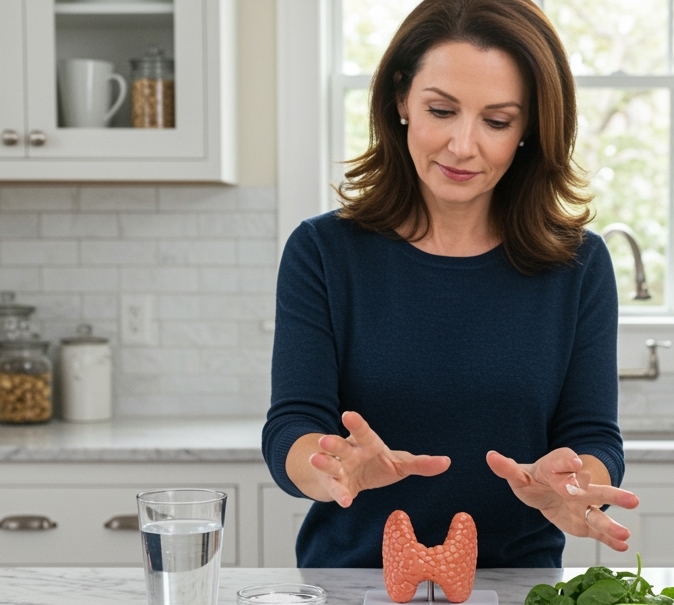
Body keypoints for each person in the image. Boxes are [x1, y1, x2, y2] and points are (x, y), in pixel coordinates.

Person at [262, 0, 639, 569]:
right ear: (400, 101)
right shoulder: (323, 252)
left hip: (518, 598)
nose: (464, 145)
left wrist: (572, 483)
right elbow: (291, 425)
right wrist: (329, 466)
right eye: (442, 110)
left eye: (496, 120)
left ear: (530, 129)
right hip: (353, 592)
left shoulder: (578, 264)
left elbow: (593, 435)